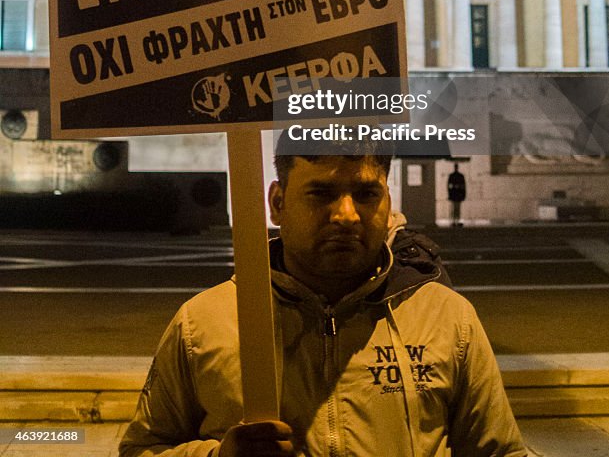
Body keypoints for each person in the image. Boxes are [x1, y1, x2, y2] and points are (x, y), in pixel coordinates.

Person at [120, 143, 527, 457]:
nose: (347, 214)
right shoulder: (203, 323)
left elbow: (501, 451)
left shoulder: (447, 317)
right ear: (277, 203)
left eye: (366, 194)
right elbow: (141, 448)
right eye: (322, 194)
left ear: (388, 204)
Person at [447, 161, 467, 226]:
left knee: (456, 208)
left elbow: (463, 186)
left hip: (456, 194)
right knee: (455, 208)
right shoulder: (458, 176)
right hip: (456, 194)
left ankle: (455, 221)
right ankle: (454, 221)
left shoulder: (455, 176)